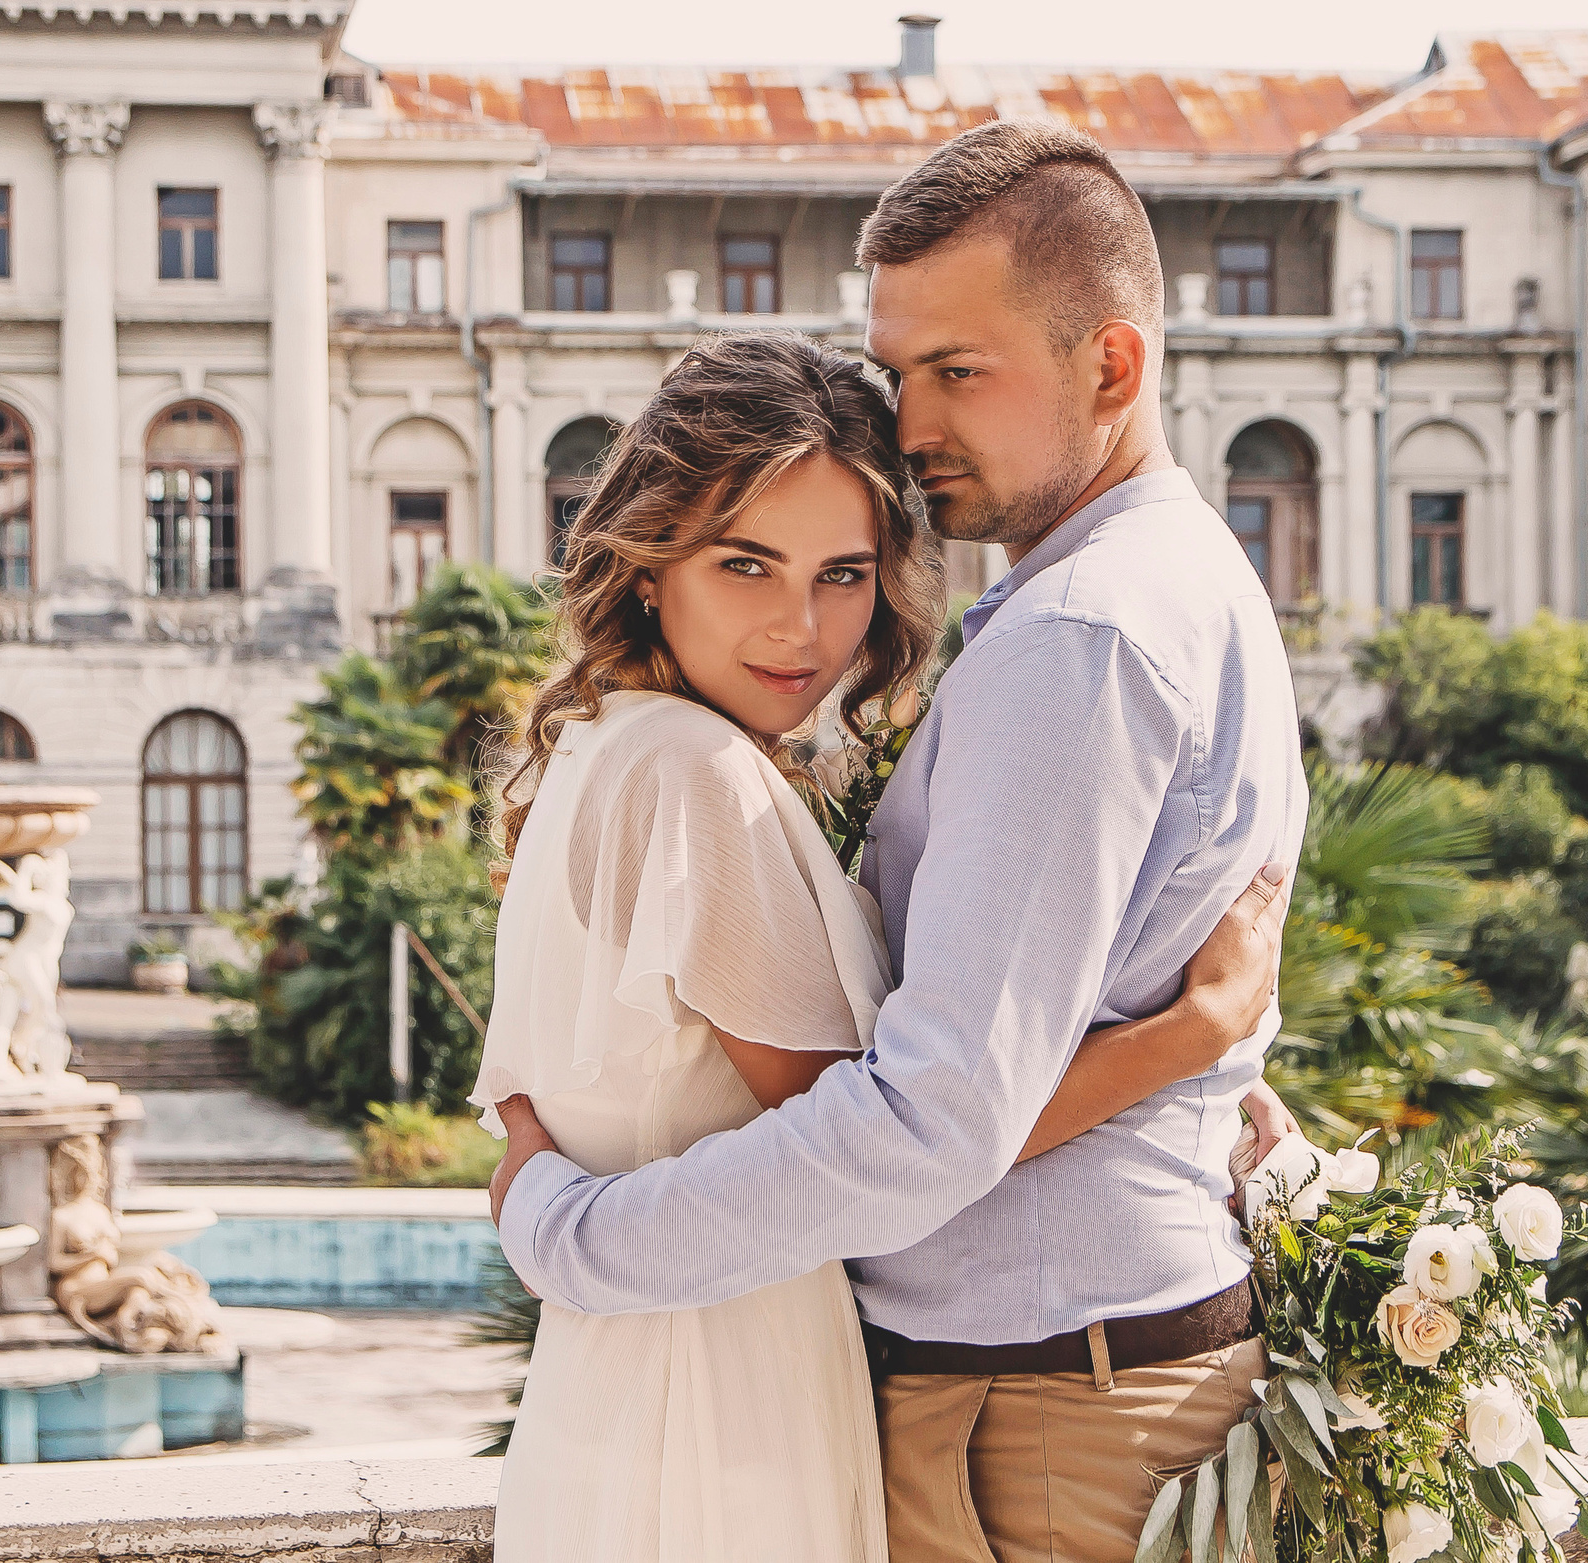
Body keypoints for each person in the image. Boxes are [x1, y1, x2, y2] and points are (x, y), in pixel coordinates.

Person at [489, 120, 1312, 1563]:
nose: (912, 424)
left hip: (1047, 1404)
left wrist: (573, 1237)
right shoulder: (1159, 584)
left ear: (1111, 366)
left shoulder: (1083, 633)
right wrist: (1193, 1048)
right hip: (1062, 1373)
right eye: (898, 371)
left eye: (958, 373)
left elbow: (930, 1119)